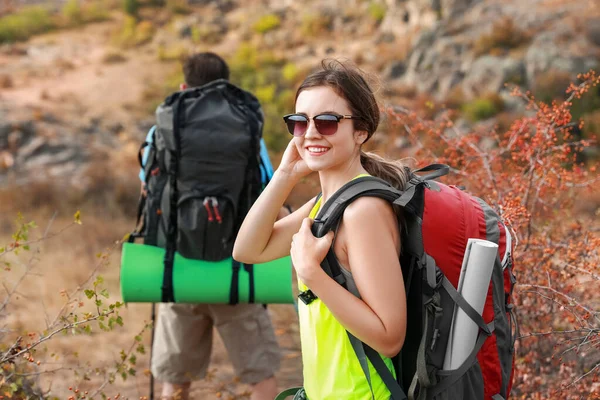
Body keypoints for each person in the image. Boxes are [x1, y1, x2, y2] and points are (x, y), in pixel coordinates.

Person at [233, 59, 409, 399]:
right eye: (300, 122)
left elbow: (390, 338)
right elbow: (247, 250)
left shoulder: (363, 212)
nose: (311, 132)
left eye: (327, 122)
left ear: (361, 131)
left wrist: (312, 274)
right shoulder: (324, 205)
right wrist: (284, 176)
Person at [139, 52, 283, 400]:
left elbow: (148, 187)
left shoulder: (163, 130)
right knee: (260, 372)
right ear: (226, 87)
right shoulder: (246, 131)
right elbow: (266, 187)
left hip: (180, 268)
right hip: (237, 266)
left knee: (176, 376)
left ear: (183, 87)